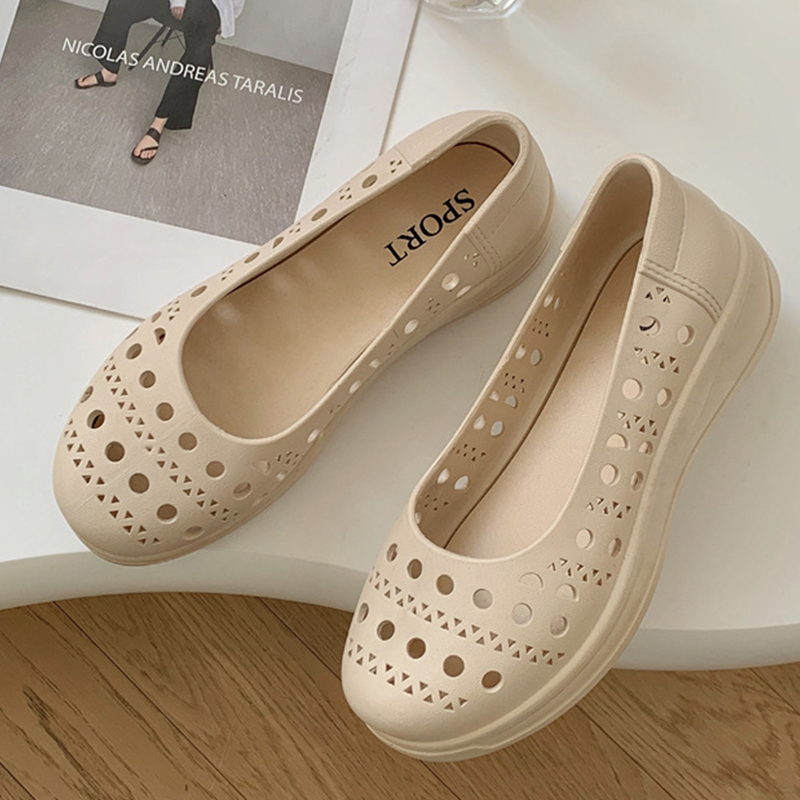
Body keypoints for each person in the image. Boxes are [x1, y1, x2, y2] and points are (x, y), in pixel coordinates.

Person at [74, 0, 245, 164]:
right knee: (122, 2)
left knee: (199, 55)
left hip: (210, 5)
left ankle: (160, 122)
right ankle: (109, 70)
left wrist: (226, 16)